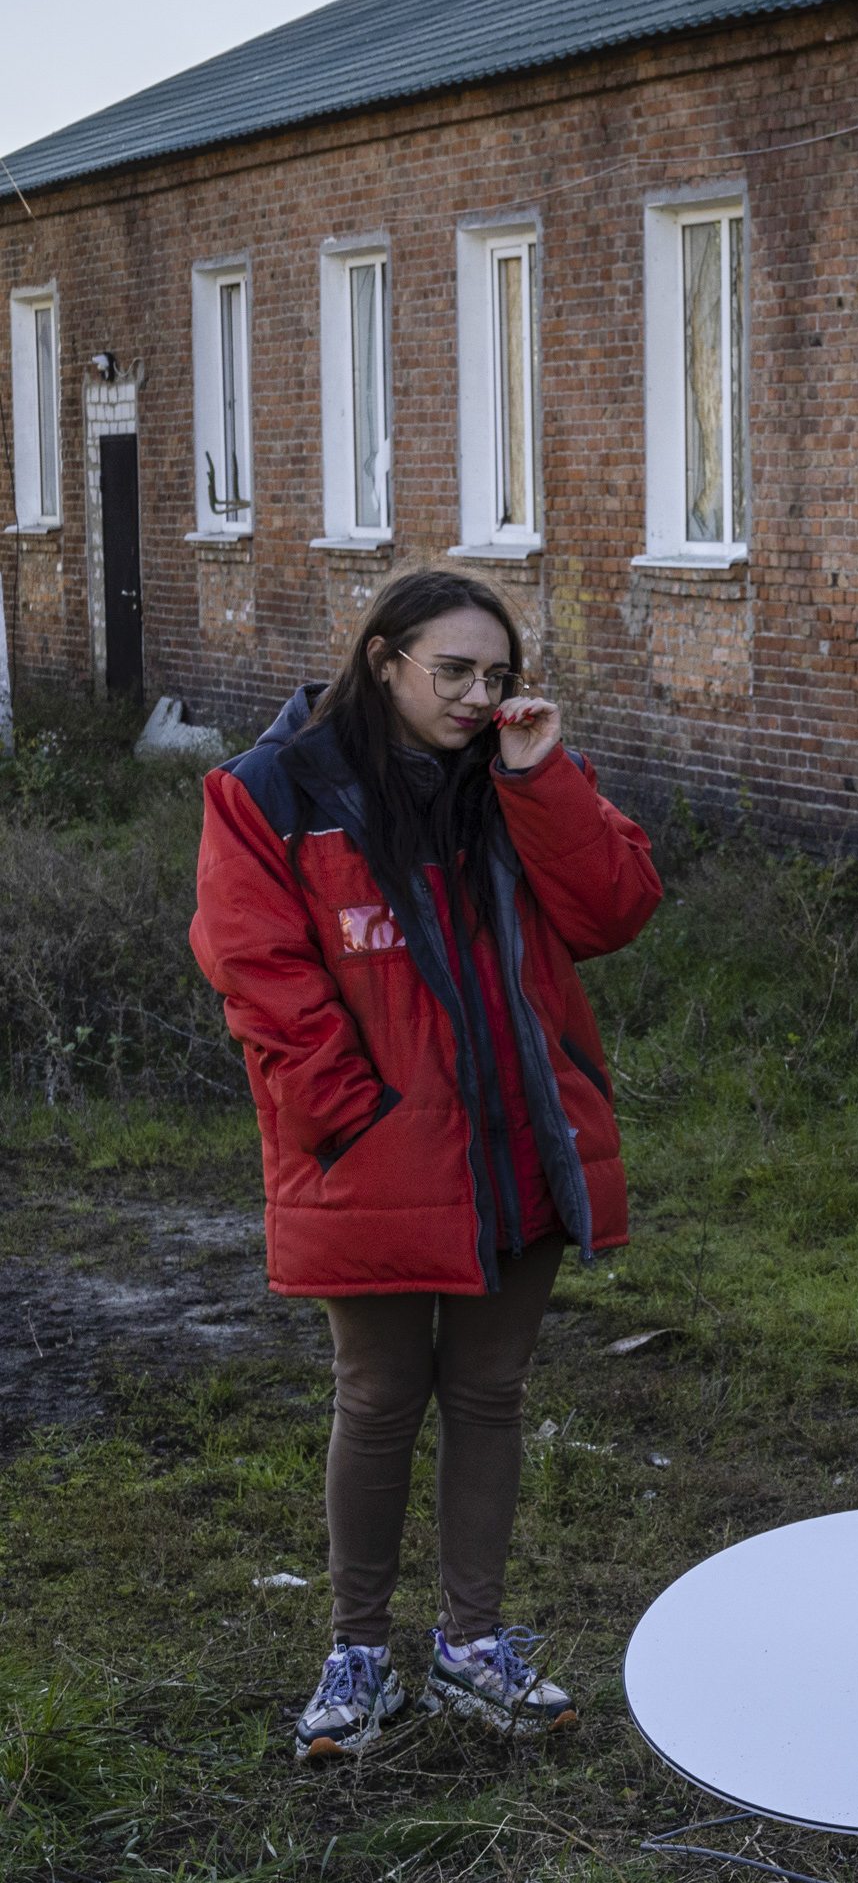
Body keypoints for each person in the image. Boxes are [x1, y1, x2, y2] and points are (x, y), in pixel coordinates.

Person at [193, 570, 662, 1762]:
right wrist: (351, 1122)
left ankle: (471, 1644)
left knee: (490, 1395)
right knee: (379, 1395)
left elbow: (615, 906)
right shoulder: (275, 790)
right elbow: (258, 970)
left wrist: (538, 775)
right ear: (383, 657)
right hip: (379, 1152)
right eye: (451, 671)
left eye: (497, 676)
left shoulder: (512, 776)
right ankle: (358, 1653)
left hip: (522, 1146)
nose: (476, 695)